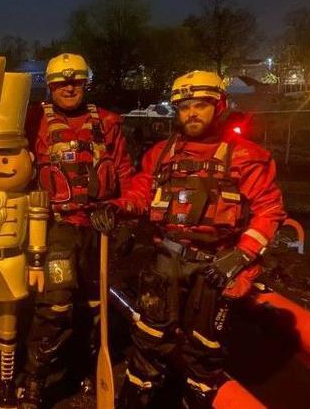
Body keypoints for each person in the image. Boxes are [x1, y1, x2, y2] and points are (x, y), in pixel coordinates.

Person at [91, 70, 286, 408]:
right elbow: (141, 191)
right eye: (184, 107)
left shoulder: (246, 157)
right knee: (149, 338)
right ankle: (137, 397)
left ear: (219, 105)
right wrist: (117, 208)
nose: (191, 113)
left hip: (215, 266)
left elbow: (269, 211)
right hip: (166, 260)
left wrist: (241, 256)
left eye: (200, 105)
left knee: (204, 348)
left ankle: (194, 398)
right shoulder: (161, 154)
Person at [18, 53, 135, 408]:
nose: (69, 87)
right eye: (62, 82)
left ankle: (84, 368)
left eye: (76, 81)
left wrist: (124, 216)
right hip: (57, 227)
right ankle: (34, 379)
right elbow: (4, 151)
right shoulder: (33, 121)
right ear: (51, 85)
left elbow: (125, 173)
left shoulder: (108, 123)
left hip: (98, 228)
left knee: (93, 305)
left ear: (85, 83)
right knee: (54, 305)